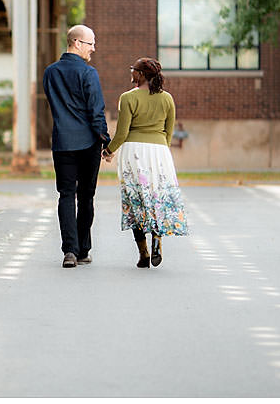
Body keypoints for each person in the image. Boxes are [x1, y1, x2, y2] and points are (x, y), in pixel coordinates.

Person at [102, 57, 188, 267]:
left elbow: (122, 133)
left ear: (140, 74)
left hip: (134, 153)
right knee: (156, 197)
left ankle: (144, 254)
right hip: (160, 153)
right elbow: (169, 133)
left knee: (135, 200)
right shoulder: (167, 99)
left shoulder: (128, 98)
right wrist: (160, 149)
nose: (131, 72)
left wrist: (108, 150)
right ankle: (157, 241)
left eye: (133, 70)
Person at [43, 24, 110, 268]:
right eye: (91, 43)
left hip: (62, 142)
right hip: (88, 143)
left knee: (66, 195)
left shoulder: (50, 73)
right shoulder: (88, 73)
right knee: (86, 196)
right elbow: (96, 111)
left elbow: (54, 104)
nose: (94, 48)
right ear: (77, 43)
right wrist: (105, 139)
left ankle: (69, 251)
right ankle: (83, 250)